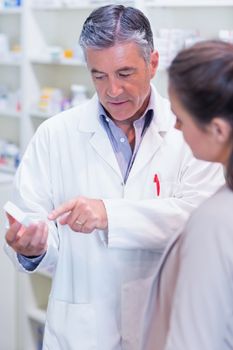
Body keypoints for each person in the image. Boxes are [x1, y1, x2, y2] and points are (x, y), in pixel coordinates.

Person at [4, 6, 223, 350]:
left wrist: (109, 215)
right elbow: (35, 223)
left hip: (166, 327)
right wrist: (32, 247)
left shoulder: (188, 131)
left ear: (152, 63)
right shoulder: (55, 134)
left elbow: (200, 218)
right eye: (99, 76)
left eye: (125, 73)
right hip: (81, 335)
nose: (113, 90)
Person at [147, 40, 233, 350]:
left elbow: (193, 341)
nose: (176, 127)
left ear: (218, 130)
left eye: (181, 117)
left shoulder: (215, 222)